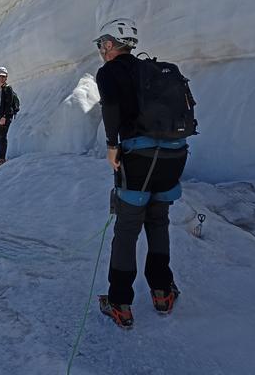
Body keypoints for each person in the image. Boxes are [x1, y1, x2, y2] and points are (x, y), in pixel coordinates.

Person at [93, 18, 189, 329]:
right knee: (158, 221)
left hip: (140, 158)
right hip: (174, 155)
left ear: (110, 44)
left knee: (128, 228)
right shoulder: (151, 70)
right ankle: (162, 292)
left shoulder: (109, 71)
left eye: (101, 45)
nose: (100, 51)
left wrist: (111, 146)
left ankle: (120, 302)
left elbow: (110, 108)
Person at [0, 66, 19, 165]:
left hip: (5, 116)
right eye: (0, 76)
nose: (1, 78)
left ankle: (2, 158)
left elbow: (8, 103)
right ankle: (0, 155)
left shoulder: (8, 88)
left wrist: (4, 117)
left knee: (2, 135)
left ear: (6, 77)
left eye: (3, 76)